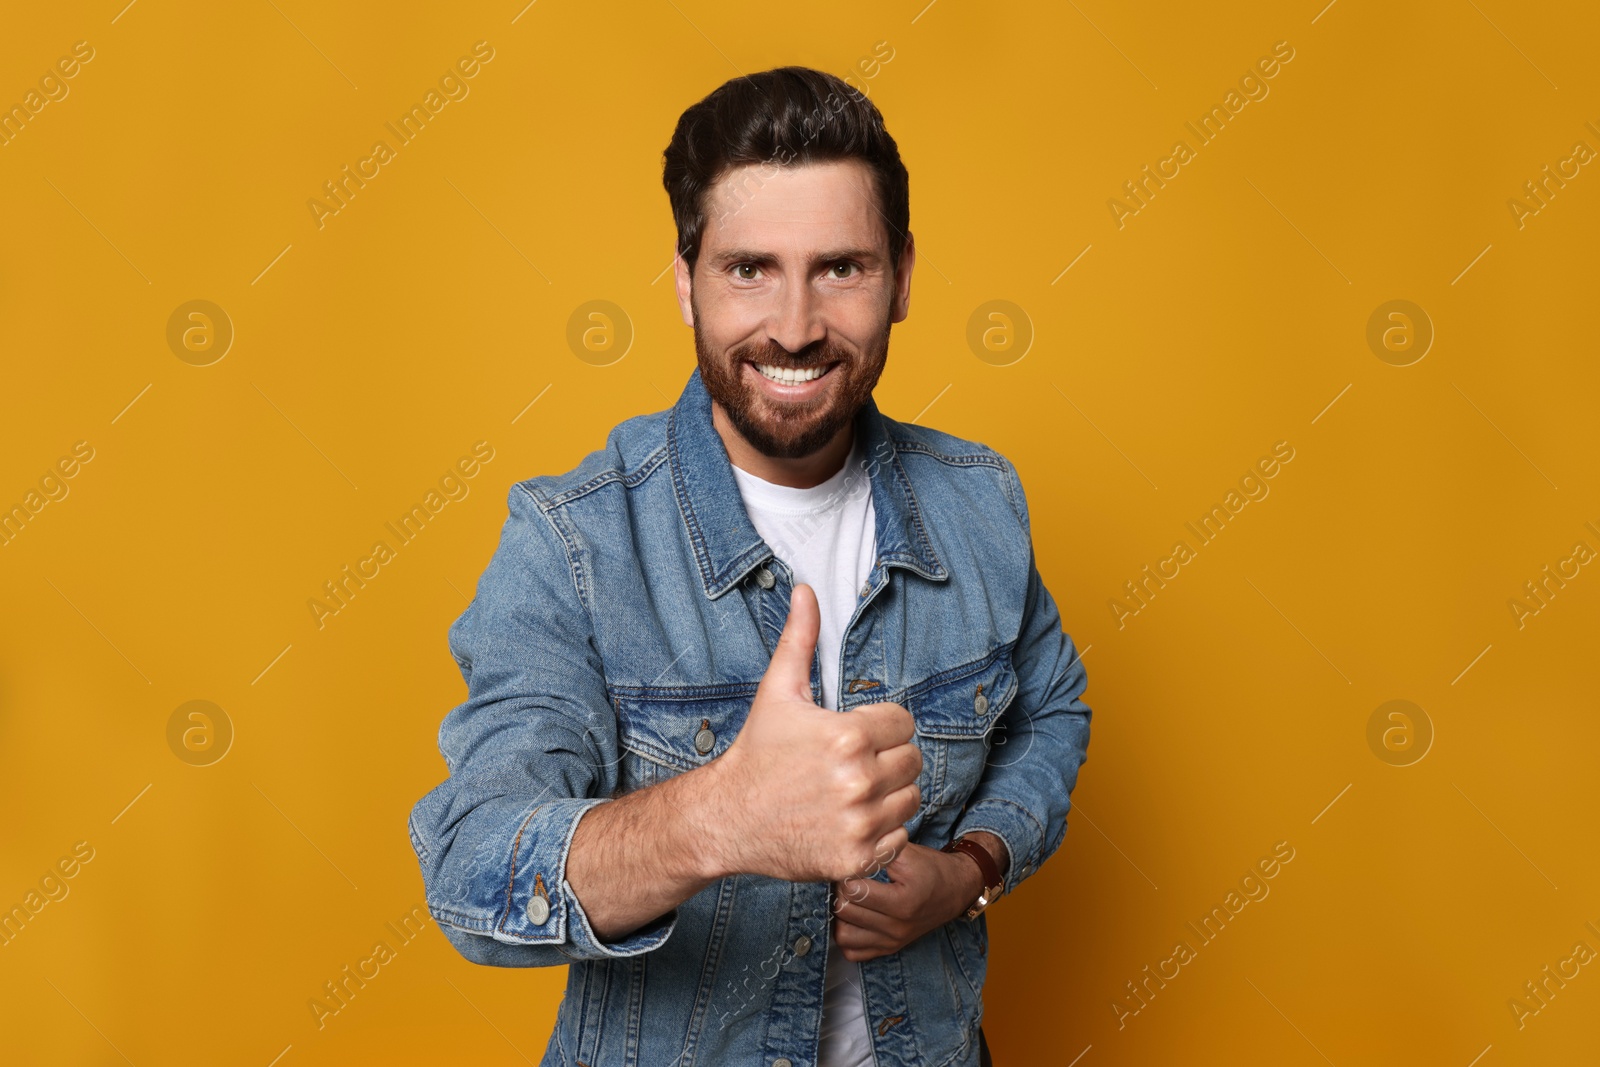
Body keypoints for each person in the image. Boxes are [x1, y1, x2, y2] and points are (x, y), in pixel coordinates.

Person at [408, 65, 1092, 1067]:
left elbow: (1051, 711)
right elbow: (471, 870)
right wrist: (718, 820)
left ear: (901, 276)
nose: (795, 324)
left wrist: (969, 871)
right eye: (748, 268)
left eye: (840, 267)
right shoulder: (572, 540)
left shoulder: (979, 502)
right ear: (685, 278)